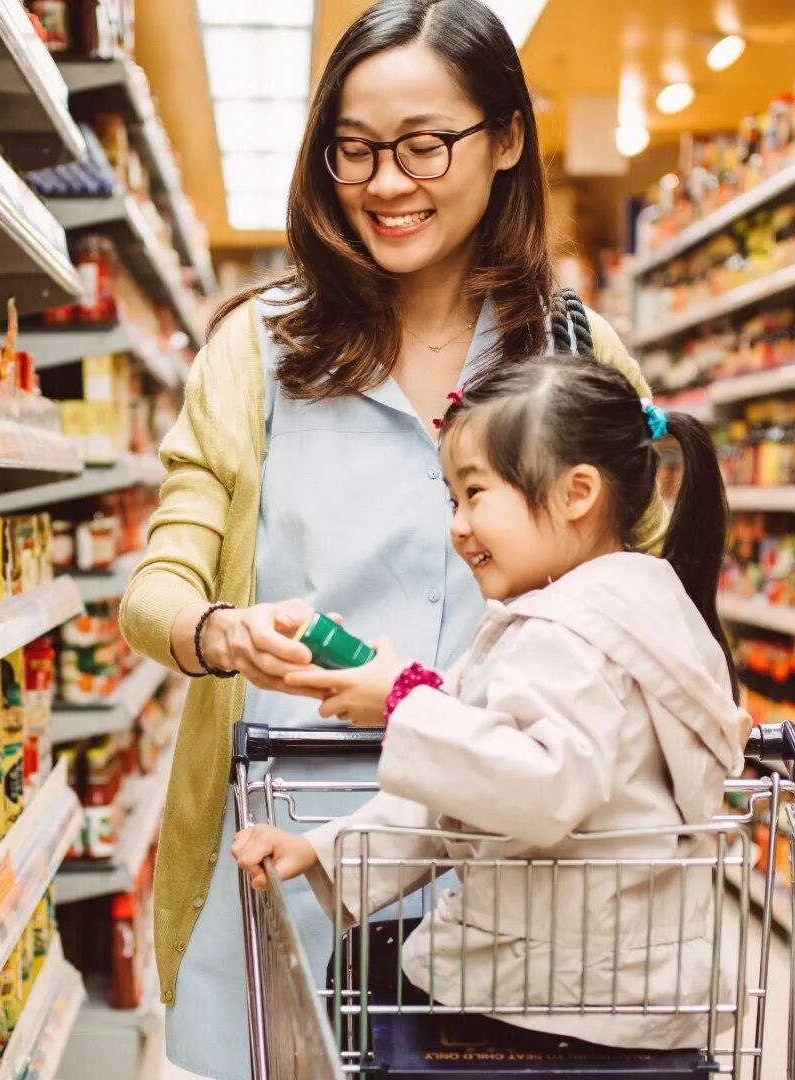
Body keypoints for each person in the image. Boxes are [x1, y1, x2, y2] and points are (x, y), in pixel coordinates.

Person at [117, 1, 670, 1075]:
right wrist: (221, 629)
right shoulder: (258, 351)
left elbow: (642, 594)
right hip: (288, 846)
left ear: (507, 139)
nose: (385, 182)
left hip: (522, 858)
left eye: (425, 144)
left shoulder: (574, 353)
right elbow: (160, 586)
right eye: (355, 149)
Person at [230, 354, 748, 1051]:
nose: (459, 525)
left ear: (577, 493)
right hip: (615, 972)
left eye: (475, 494)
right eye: (453, 500)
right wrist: (323, 852)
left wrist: (402, 703)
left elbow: (537, 788)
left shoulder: (567, 637)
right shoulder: (637, 604)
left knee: (361, 990)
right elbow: (472, 792)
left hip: (564, 994)